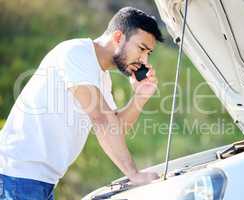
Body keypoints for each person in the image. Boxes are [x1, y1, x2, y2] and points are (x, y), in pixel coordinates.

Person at [0, 7, 164, 199]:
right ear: (118, 37)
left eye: (148, 53)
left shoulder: (101, 77)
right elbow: (102, 119)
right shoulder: (77, 53)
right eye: (142, 49)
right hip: (15, 177)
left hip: (38, 182)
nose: (144, 59)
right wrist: (134, 174)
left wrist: (140, 97)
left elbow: (115, 128)